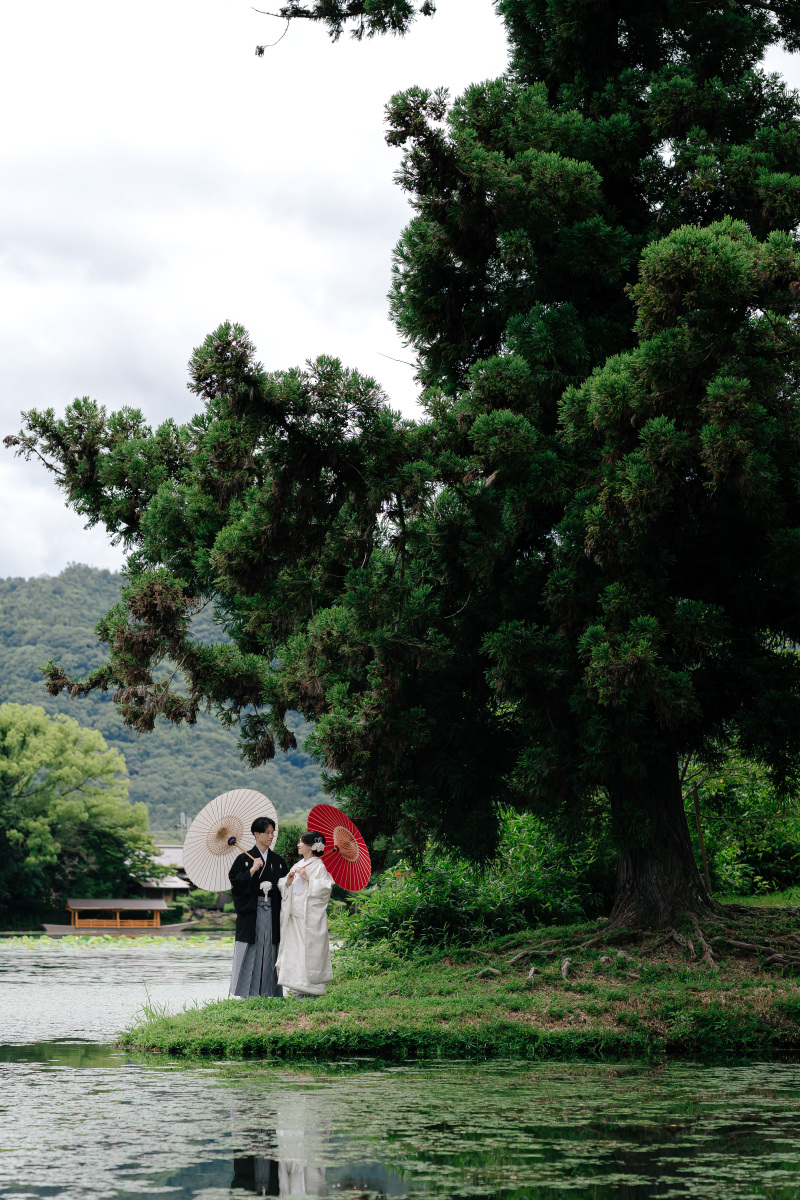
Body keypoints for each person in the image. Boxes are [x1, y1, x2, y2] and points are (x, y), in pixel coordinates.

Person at [228, 816, 289, 998]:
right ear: (256, 834)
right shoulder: (243, 859)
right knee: (251, 951)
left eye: (273, 832)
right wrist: (252, 870)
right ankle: (247, 994)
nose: (271, 836)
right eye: (267, 832)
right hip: (252, 913)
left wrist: (287, 882)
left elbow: (285, 888)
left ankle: (271, 992)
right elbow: (236, 885)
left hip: (273, 912)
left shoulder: (278, 861)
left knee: (271, 950)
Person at [276, 830, 334, 998]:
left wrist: (308, 879)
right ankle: (296, 988)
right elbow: (283, 885)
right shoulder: (297, 865)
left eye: (301, 842)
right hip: (294, 917)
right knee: (294, 953)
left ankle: (312, 990)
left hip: (308, 919)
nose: (298, 845)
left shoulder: (319, 866)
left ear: (310, 846)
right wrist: (287, 882)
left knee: (307, 953)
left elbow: (325, 888)